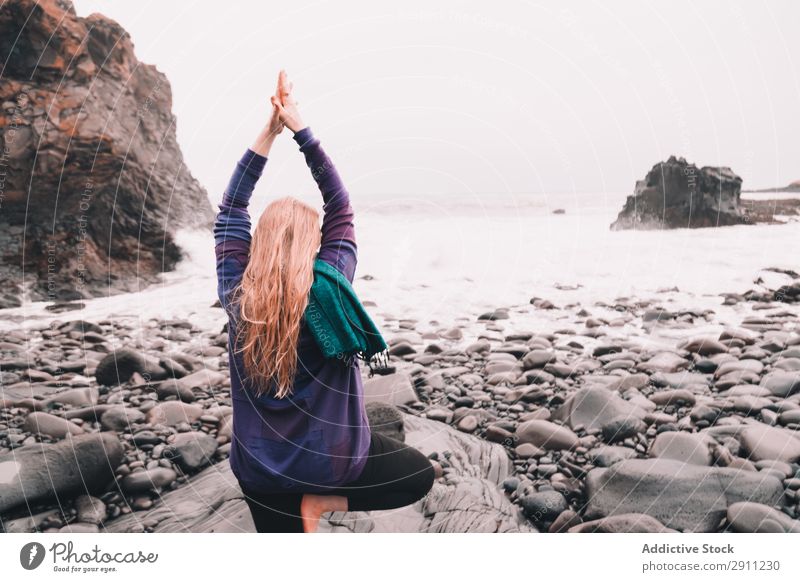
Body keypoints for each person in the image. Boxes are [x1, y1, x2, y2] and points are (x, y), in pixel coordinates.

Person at [213, 71, 435, 533]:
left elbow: (231, 209)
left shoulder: (237, 294)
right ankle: (315, 504)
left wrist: (267, 133)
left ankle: (300, 509)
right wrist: (300, 131)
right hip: (330, 468)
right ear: (312, 245)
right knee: (417, 474)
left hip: (259, 473)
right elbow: (341, 206)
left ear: (261, 242)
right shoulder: (330, 288)